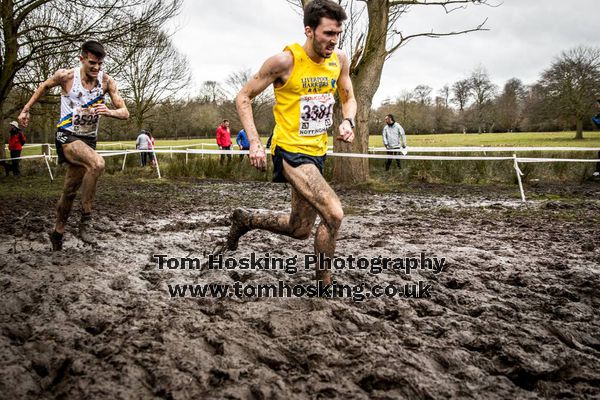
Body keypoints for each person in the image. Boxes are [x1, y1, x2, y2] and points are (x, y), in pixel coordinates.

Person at [225, 0, 356, 285]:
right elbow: (243, 97)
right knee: (334, 214)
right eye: (327, 34)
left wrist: (348, 121)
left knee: (299, 229)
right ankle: (325, 286)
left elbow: (349, 97)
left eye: (337, 34)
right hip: (290, 151)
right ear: (309, 31)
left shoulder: (339, 61)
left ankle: (246, 219)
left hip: (317, 151)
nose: (333, 40)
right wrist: (255, 143)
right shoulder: (285, 61)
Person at [18, 40, 129, 251]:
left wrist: (109, 112)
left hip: (87, 140)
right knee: (97, 164)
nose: (96, 68)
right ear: (82, 59)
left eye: (100, 63)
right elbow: (44, 86)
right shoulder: (67, 77)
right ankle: (86, 220)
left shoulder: (106, 82)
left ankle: (57, 232)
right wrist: (25, 110)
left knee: (69, 191)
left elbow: (125, 112)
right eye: (92, 63)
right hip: (66, 135)